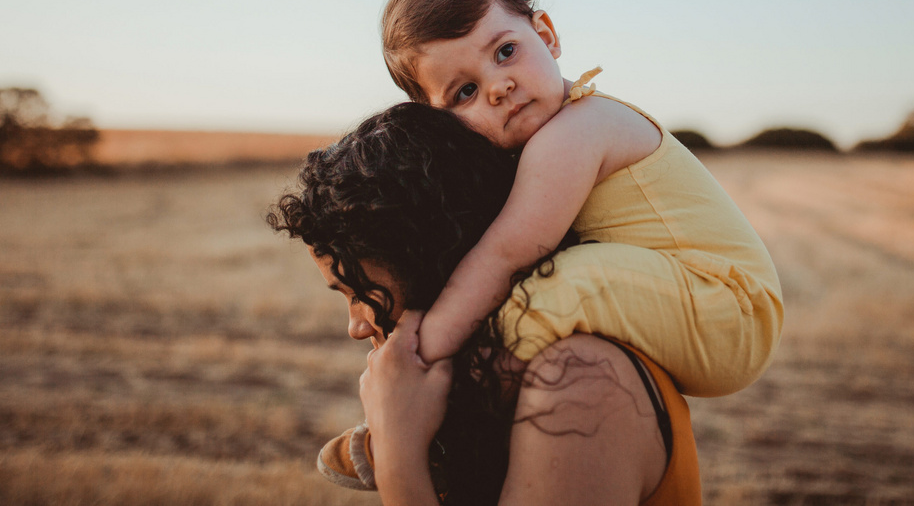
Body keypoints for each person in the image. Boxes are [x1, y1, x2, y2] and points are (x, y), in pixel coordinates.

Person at [380, 0, 784, 396]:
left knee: (560, 281)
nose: (498, 87)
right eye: (465, 92)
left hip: (729, 311)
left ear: (547, 36)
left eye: (505, 52)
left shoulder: (577, 130)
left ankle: (434, 399)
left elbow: (505, 256)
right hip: (696, 303)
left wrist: (424, 348)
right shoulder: (552, 134)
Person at [268, 102, 701, 506]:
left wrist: (398, 449)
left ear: (436, 265)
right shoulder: (494, 382)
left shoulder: (579, 383)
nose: (356, 327)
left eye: (362, 293)